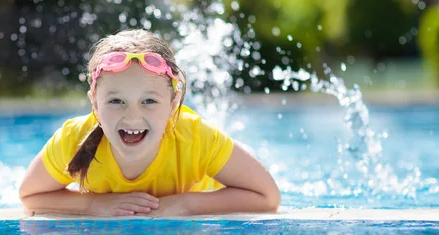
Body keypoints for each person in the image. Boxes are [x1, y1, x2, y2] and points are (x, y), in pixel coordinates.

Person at [19, 29, 281, 217]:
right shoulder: (73, 139)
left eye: (149, 102)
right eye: (116, 101)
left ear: (172, 103)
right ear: (95, 104)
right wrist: (94, 205)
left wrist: (184, 204)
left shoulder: (196, 137)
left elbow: (267, 197)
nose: (132, 117)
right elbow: (29, 196)